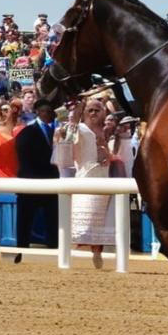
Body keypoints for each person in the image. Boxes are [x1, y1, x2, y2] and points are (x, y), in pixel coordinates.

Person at [58, 98, 113, 269]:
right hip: (85, 178)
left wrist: (106, 154)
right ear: (85, 112)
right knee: (82, 222)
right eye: (90, 110)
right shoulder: (80, 128)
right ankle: (69, 257)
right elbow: (67, 139)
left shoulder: (106, 130)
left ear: (103, 112)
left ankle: (97, 253)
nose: (94, 113)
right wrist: (73, 119)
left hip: (103, 178)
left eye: (97, 110)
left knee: (100, 223)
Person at [15, 99, 59, 250]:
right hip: (30, 182)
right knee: (25, 220)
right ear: (38, 112)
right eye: (44, 111)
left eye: (50, 111)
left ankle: (54, 249)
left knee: (53, 220)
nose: (48, 114)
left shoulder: (57, 131)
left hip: (51, 183)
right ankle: (21, 250)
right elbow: (23, 156)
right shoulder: (27, 132)